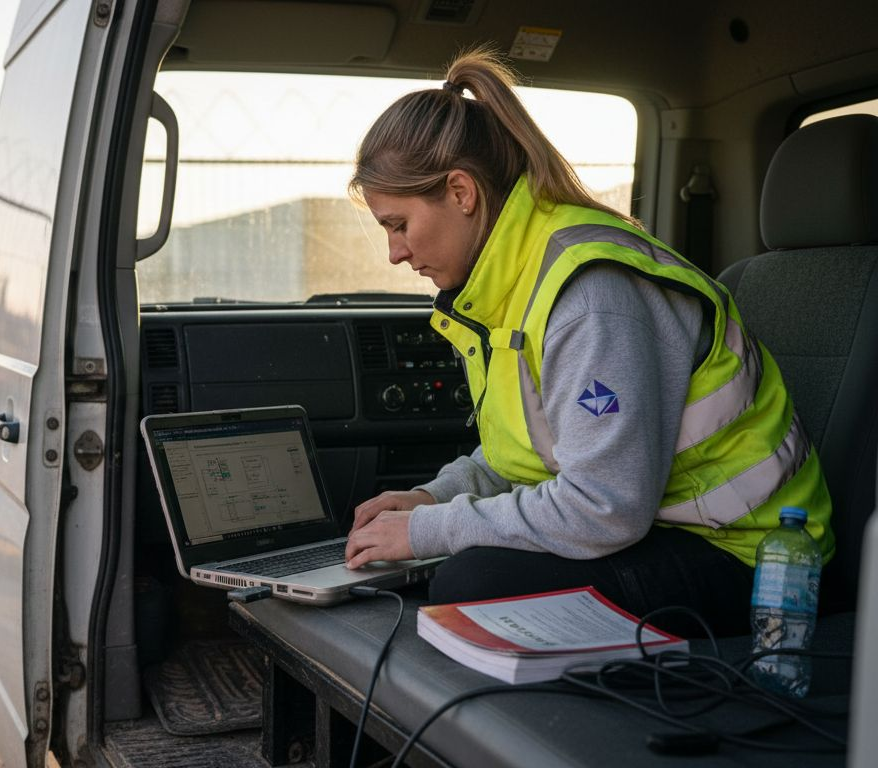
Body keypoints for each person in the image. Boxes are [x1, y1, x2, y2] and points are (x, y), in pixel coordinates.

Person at [341, 47, 834, 637]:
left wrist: (432, 531)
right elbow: (530, 455)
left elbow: (604, 506)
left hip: (757, 557)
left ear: (461, 192)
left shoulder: (590, 293)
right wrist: (434, 497)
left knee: (470, 584)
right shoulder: (509, 287)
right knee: (450, 571)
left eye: (398, 224)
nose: (395, 251)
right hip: (666, 527)